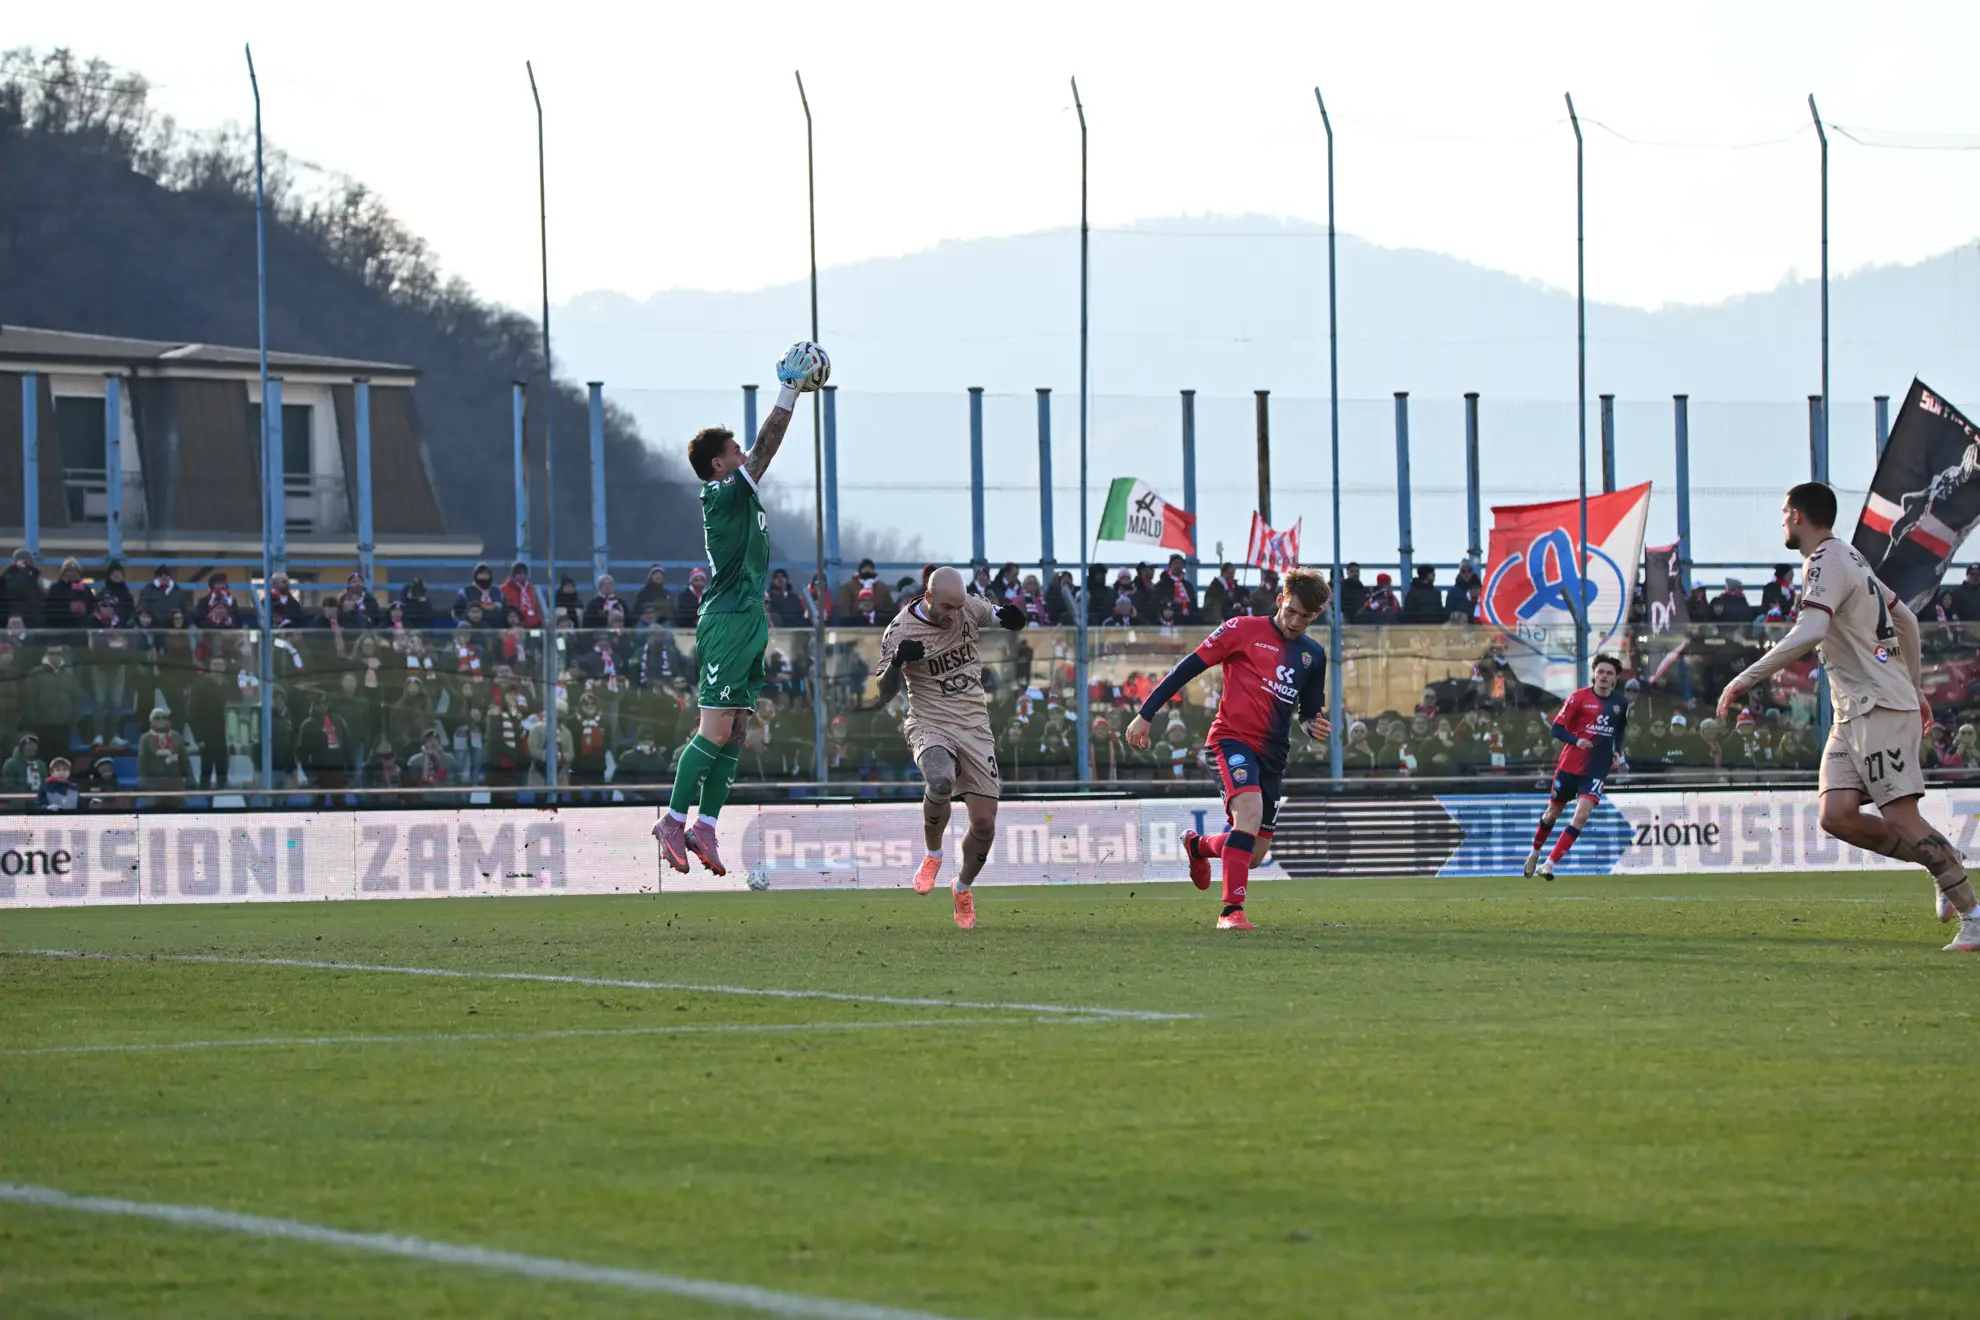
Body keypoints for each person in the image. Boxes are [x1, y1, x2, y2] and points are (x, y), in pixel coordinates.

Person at [1716, 481, 1980, 953]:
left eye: (1783, 513)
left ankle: (1974, 913)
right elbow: (1908, 622)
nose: (1781, 521)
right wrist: (1915, 687)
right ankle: (1942, 859)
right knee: (1836, 816)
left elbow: (1812, 628)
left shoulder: (1825, 562)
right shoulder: (1851, 557)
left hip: (1877, 707)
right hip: (1852, 712)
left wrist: (1745, 679)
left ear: (1798, 516)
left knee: (1901, 818)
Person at [655, 341, 823, 876]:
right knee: (713, 729)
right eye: (735, 450)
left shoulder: (739, 494)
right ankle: (672, 821)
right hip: (726, 620)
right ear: (718, 463)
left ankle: (704, 826)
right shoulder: (722, 492)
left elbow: (759, 454)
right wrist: (789, 391)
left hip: (749, 619)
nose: (744, 454)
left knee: (737, 730)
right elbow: (767, 447)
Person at [1124, 567, 1332, 930]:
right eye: (1292, 611)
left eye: (1307, 616)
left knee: (1252, 855)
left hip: (1273, 754)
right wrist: (1146, 713)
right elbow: (1187, 668)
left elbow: (1307, 710)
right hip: (1230, 740)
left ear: (1317, 615)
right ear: (1281, 600)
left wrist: (1311, 723)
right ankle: (1230, 912)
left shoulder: (1313, 655)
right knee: (1248, 815)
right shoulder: (1242, 629)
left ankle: (1197, 846)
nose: (1297, 621)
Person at [872, 565, 1029, 929]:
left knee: (985, 825)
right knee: (940, 781)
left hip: (975, 727)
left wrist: (1013, 618)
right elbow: (883, 692)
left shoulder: (967, 607)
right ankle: (932, 854)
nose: (953, 615)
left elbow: (1000, 616)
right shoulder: (900, 630)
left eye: (958, 608)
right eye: (946, 608)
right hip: (930, 723)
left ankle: (961, 888)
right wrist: (897, 661)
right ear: (928, 598)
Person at [1523, 654, 1630, 878]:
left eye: (1609, 673)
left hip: (1596, 769)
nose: (1603, 676)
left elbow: (1619, 729)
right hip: (1570, 765)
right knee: (1552, 813)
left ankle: (1550, 864)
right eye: (1600, 671)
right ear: (1593, 674)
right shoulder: (1578, 698)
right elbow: (1556, 729)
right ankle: (1535, 852)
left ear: (1615, 679)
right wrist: (1576, 740)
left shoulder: (1620, 703)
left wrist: (1618, 751)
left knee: (1581, 816)